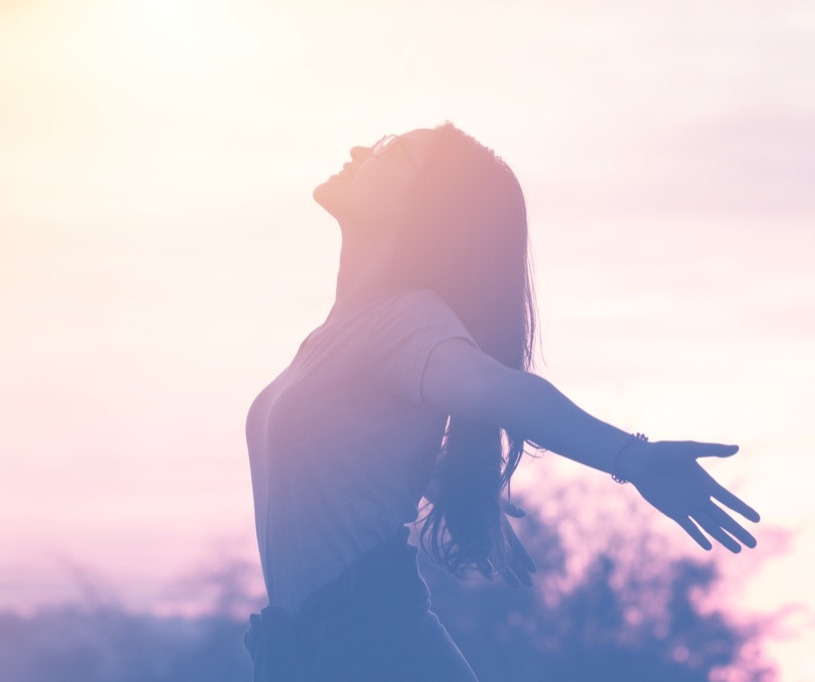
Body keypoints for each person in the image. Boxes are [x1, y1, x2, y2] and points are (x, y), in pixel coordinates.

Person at [243, 123, 760, 682]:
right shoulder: (343, 332)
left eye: (391, 149)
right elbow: (347, 457)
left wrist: (628, 457)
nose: (360, 150)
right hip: (320, 651)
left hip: (375, 650)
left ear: (423, 206)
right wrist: (454, 484)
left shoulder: (404, 320)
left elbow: (501, 389)